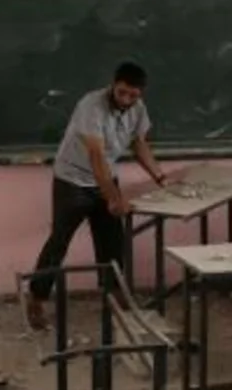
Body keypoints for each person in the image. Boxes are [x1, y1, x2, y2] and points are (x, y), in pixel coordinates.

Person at [26, 61, 165, 330]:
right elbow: (96, 156)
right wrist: (113, 197)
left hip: (105, 178)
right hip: (73, 180)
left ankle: (112, 295)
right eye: (122, 92)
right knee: (59, 242)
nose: (126, 99)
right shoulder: (91, 106)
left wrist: (160, 177)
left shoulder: (137, 109)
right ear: (113, 84)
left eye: (133, 95)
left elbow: (139, 144)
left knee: (112, 242)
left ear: (141, 94)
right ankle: (36, 298)